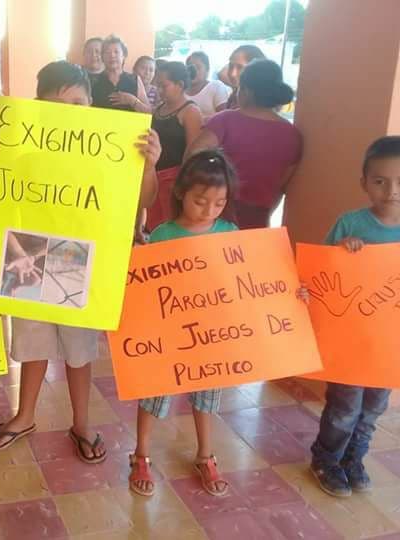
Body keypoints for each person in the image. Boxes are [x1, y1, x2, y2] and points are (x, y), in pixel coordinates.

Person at [0, 60, 160, 463]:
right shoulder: (20, 151)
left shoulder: (111, 153)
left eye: (77, 103)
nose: (69, 114)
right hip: (30, 254)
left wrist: (148, 165)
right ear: (39, 107)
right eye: (56, 106)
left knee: (79, 350)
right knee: (33, 343)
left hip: (82, 259)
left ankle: (81, 423)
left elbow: (142, 200)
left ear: (91, 103)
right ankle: (25, 415)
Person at [129, 150, 310, 497]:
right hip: (169, 338)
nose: (209, 210)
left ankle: (205, 455)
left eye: (219, 203)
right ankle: (141, 454)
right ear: (180, 192)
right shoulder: (163, 234)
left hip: (212, 340)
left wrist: (291, 291)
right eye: (200, 201)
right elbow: (146, 289)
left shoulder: (230, 233)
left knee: (206, 400)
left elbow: (253, 281)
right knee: (152, 395)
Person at [310, 136, 400, 498]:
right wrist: (341, 251)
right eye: (380, 181)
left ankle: (354, 458)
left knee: (374, 407)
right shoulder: (350, 224)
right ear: (364, 183)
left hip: (389, 346)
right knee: (345, 407)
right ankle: (326, 459)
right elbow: (321, 274)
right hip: (349, 342)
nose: (391, 191)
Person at [186, 59, 301, 229]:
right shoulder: (292, 134)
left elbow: (192, 157)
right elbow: (283, 184)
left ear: (246, 91)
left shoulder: (225, 120)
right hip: (259, 217)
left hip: (216, 213)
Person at [145, 62, 202, 233]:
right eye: (157, 86)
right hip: (153, 176)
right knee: (154, 226)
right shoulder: (159, 109)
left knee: (170, 227)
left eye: (164, 86)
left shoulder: (190, 111)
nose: (159, 90)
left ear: (180, 85)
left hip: (174, 180)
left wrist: (183, 185)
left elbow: (193, 152)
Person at [91, 35, 151, 113]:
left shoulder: (135, 80)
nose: (112, 56)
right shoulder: (93, 81)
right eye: (107, 52)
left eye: (116, 52)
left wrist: (132, 100)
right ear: (102, 57)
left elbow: (148, 113)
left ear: (124, 56)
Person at [186, 51, 230, 117]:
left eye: (198, 67)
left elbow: (224, 117)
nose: (193, 71)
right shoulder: (180, 91)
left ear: (207, 70)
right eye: (190, 67)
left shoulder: (216, 86)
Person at [224, 45, 265, 110]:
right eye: (231, 66)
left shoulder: (260, 102)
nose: (232, 74)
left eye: (240, 67)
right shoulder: (235, 95)